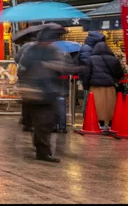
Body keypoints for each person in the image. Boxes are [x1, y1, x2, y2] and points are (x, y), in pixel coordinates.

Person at [20, 28, 78, 163]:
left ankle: (41, 147)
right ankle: (43, 151)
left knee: (45, 122)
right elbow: (23, 68)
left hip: (46, 91)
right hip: (38, 91)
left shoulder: (45, 50)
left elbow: (63, 66)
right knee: (43, 122)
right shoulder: (34, 51)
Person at [79, 42, 124, 131]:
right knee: (110, 105)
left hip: (95, 86)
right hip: (110, 86)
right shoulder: (114, 59)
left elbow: (87, 73)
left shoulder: (90, 59)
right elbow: (119, 73)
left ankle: (100, 123)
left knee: (97, 105)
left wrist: (86, 86)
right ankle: (111, 124)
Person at [15, 36, 37, 132]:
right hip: (34, 75)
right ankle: (32, 122)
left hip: (23, 74)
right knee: (35, 98)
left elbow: (16, 59)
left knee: (26, 98)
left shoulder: (24, 46)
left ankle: (26, 122)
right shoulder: (40, 47)